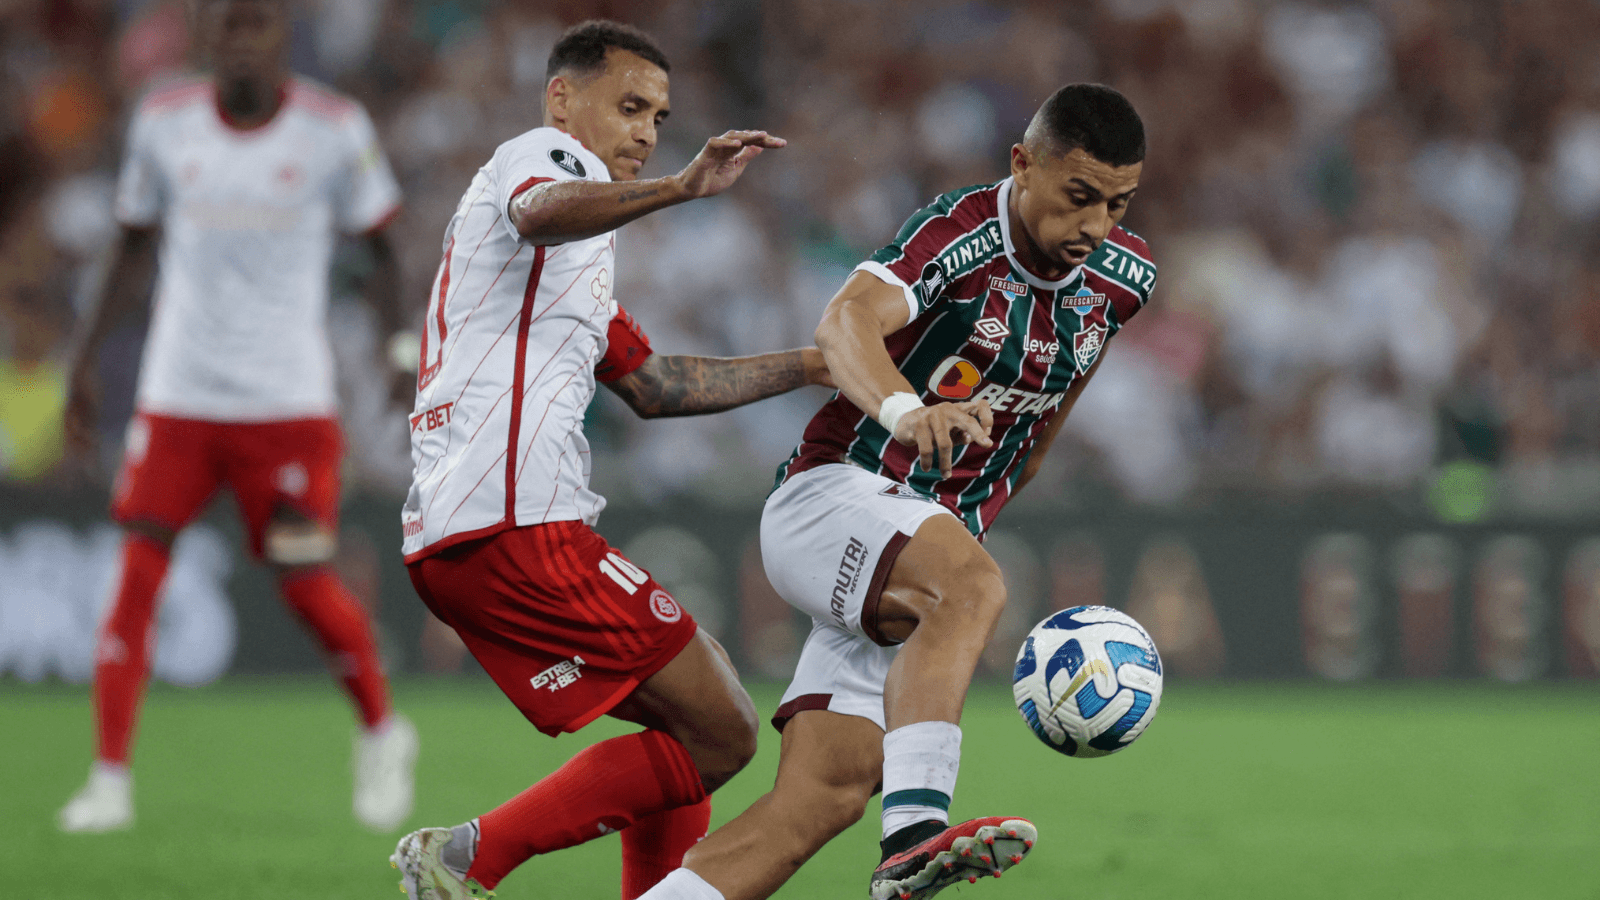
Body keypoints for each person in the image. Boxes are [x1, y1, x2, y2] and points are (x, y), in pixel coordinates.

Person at [634, 83, 1155, 900]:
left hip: (914, 542)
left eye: (1117, 204)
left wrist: (966, 514)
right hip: (833, 495)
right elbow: (843, 322)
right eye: (1079, 196)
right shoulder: (961, 233)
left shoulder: (1122, 281)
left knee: (821, 797)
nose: (1095, 226)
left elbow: (1042, 424)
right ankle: (914, 839)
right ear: (1023, 165)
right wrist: (907, 412)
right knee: (974, 587)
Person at [388, 20, 824, 900]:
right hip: (515, 522)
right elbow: (539, 208)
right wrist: (682, 187)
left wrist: (815, 366)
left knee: (689, 724)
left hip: (477, 529)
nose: (645, 133)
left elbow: (659, 385)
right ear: (562, 97)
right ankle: (469, 856)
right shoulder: (538, 159)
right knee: (725, 734)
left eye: (658, 117)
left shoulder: (571, 267)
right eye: (628, 107)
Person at [57, 0, 417, 833]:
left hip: (284, 402)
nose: (245, 41)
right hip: (178, 397)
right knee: (137, 572)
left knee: (301, 579)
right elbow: (132, 241)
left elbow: (386, 247)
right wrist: (83, 362)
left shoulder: (334, 129)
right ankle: (109, 778)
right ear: (209, 39)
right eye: (231, 26)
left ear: (282, 39)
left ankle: (382, 729)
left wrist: (399, 356)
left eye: (259, 25)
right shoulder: (163, 120)